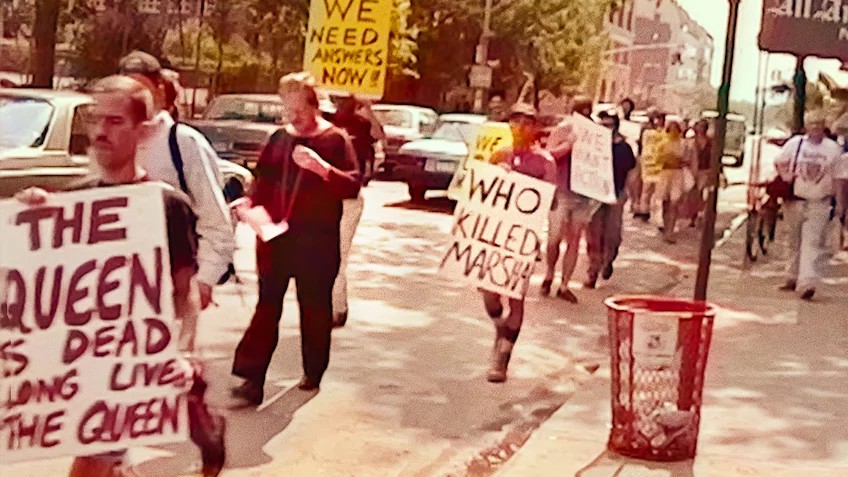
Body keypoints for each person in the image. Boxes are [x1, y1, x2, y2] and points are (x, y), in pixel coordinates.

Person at [15, 75, 222, 477]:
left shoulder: (166, 205)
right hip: (77, 365)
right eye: (95, 120)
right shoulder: (73, 202)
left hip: (131, 366)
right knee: (105, 462)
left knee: (92, 461)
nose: (100, 132)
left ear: (142, 132)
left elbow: (186, 293)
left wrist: (183, 351)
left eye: (114, 122)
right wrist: (30, 221)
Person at [230, 72, 361, 405]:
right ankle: (251, 379)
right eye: (288, 110)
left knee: (314, 308)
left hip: (315, 241)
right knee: (267, 305)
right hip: (276, 236)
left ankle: (313, 370)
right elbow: (263, 180)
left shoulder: (335, 140)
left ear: (314, 106)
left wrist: (321, 169)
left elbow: (352, 185)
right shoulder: (279, 139)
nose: (293, 118)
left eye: (299, 110)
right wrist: (249, 203)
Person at [119, 51, 236, 350]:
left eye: (142, 89)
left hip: (173, 287)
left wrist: (206, 279)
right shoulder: (112, 140)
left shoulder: (184, 144)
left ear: (159, 91)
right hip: (117, 288)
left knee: (166, 377)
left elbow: (215, 220)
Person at [482, 103, 557, 383]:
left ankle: (503, 356)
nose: (520, 128)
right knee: (489, 293)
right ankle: (501, 328)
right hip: (496, 234)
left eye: (527, 123)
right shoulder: (499, 154)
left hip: (524, 238)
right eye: (515, 122)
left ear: (535, 128)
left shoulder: (544, 162)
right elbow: (482, 194)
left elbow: (551, 201)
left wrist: (526, 185)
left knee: (516, 296)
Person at [775, 111, 843, 300]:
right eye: (811, 124)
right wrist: (786, 175)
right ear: (806, 126)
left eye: (819, 123)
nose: (815, 127)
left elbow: (839, 177)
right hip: (795, 200)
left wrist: (840, 203)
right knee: (793, 240)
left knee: (812, 243)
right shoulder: (796, 144)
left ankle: (807, 283)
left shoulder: (832, 149)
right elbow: (780, 162)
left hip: (819, 202)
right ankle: (792, 275)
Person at [328, 95, 381, 327]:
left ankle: (335, 309)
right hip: (323, 197)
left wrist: (368, 110)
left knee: (338, 252)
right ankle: (335, 305)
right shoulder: (325, 121)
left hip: (349, 198)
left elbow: (379, 135)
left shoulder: (361, 124)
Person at [542, 96, 599, 303]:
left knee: (574, 240)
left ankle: (564, 284)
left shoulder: (595, 133)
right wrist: (568, 145)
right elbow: (548, 156)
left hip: (583, 195)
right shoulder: (563, 129)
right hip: (562, 191)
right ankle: (549, 273)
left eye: (587, 112)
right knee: (554, 237)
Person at [585, 111, 637, 287]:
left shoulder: (625, 148)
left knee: (612, 235)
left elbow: (632, 172)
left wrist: (632, 195)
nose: (605, 129)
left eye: (609, 125)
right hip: (595, 194)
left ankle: (608, 260)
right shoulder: (594, 146)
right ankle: (593, 271)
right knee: (594, 234)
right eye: (602, 125)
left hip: (616, 194)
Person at [655, 121, 688, 243]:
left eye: (676, 129)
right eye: (671, 129)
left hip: (677, 174)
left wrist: (680, 160)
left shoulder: (683, 144)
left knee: (674, 203)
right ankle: (665, 225)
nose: (673, 131)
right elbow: (657, 159)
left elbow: (687, 159)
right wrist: (666, 158)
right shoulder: (663, 143)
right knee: (665, 202)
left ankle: (670, 231)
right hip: (665, 174)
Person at [634, 111, 667, 221]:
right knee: (646, 189)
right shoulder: (647, 132)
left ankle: (658, 215)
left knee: (659, 192)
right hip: (648, 164)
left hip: (661, 165)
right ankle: (644, 211)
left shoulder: (666, 132)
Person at [685, 119, 714, 226]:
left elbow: (713, 157)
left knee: (700, 193)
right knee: (692, 194)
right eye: (699, 126)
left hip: (705, 170)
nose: (700, 129)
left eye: (703, 126)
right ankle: (693, 216)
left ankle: (698, 214)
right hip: (692, 170)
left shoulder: (710, 142)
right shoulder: (691, 140)